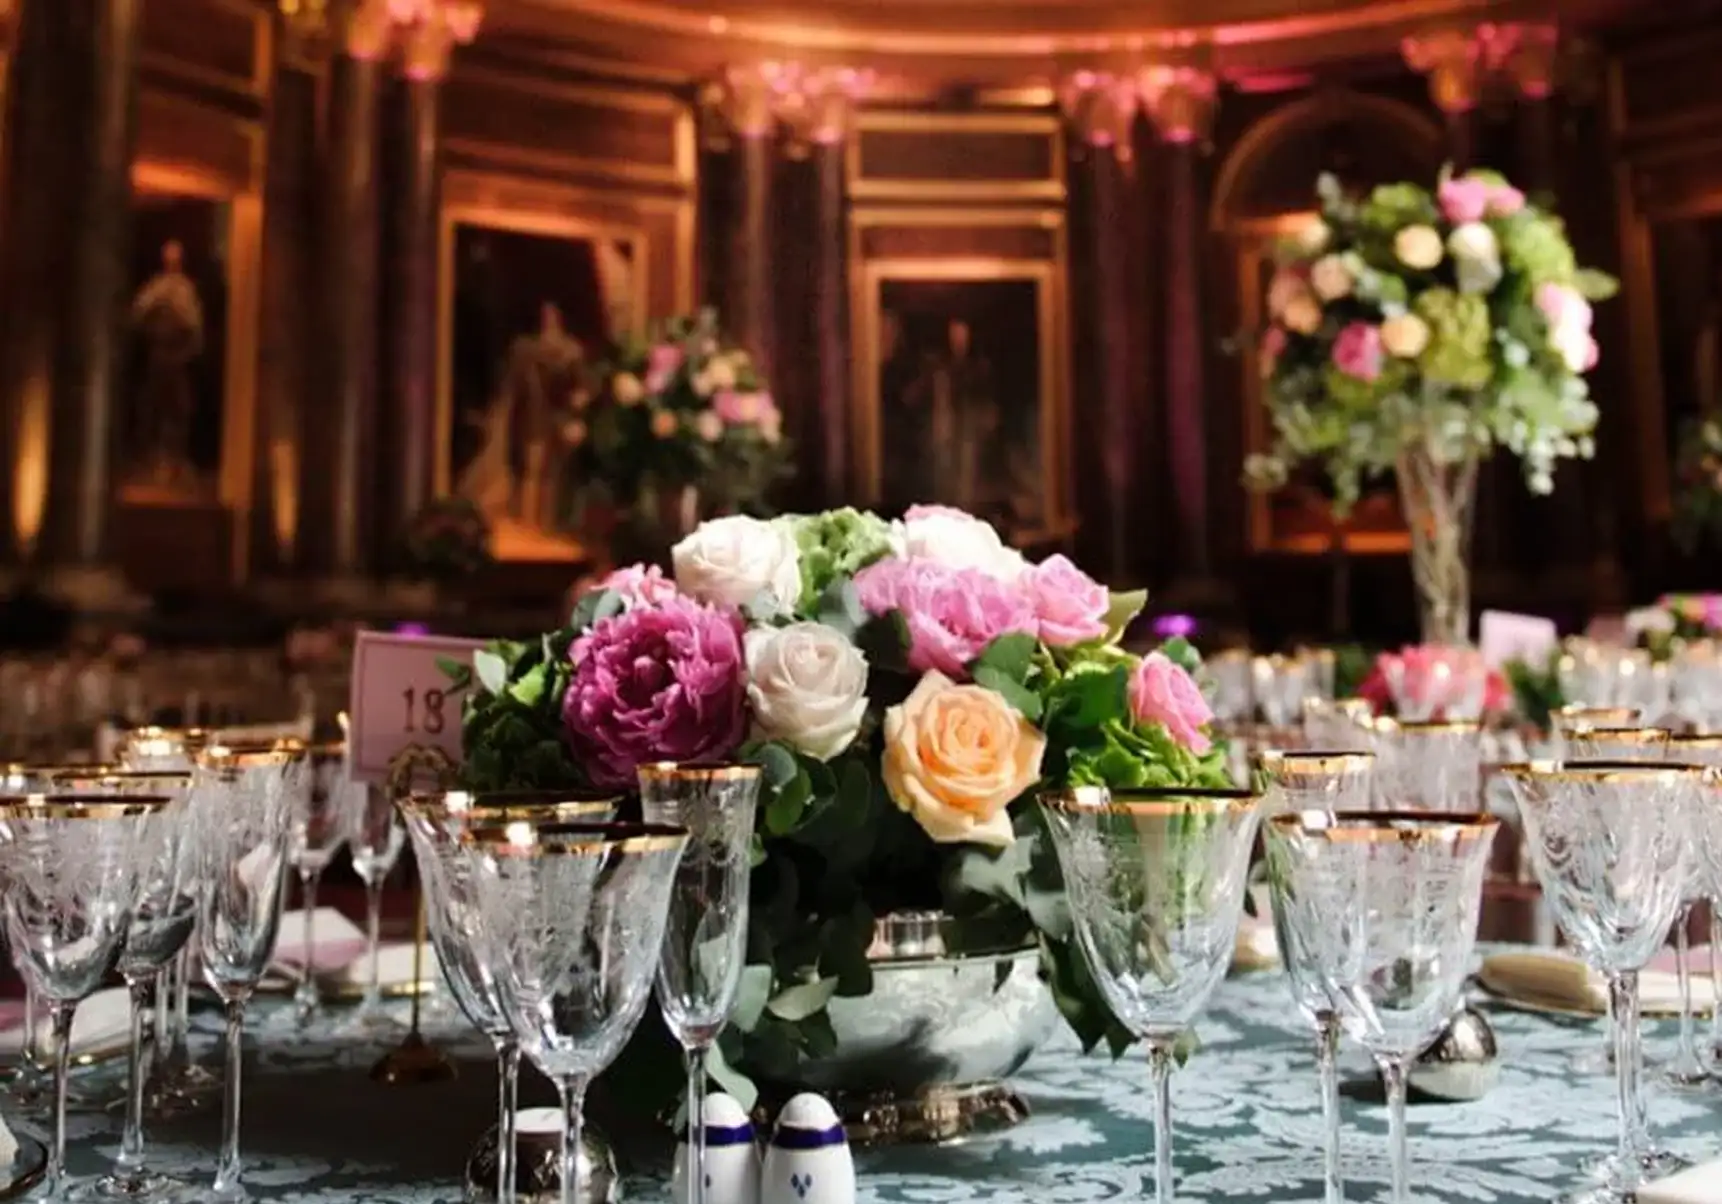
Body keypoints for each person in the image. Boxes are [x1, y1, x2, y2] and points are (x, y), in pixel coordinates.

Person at [456, 301, 585, 529]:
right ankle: (528, 520)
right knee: (530, 468)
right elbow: (513, 386)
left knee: (549, 473)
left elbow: (576, 386)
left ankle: (544, 521)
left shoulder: (569, 351)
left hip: (556, 419)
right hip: (531, 415)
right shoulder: (525, 350)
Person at [129, 240, 205, 485]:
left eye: (176, 258)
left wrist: (189, 348)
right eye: (169, 257)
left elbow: (194, 324)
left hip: (178, 356)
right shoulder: (156, 288)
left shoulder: (185, 289)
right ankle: (151, 459)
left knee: (179, 408)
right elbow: (137, 314)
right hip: (158, 354)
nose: (172, 262)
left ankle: (175, 460)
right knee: (153, 407)